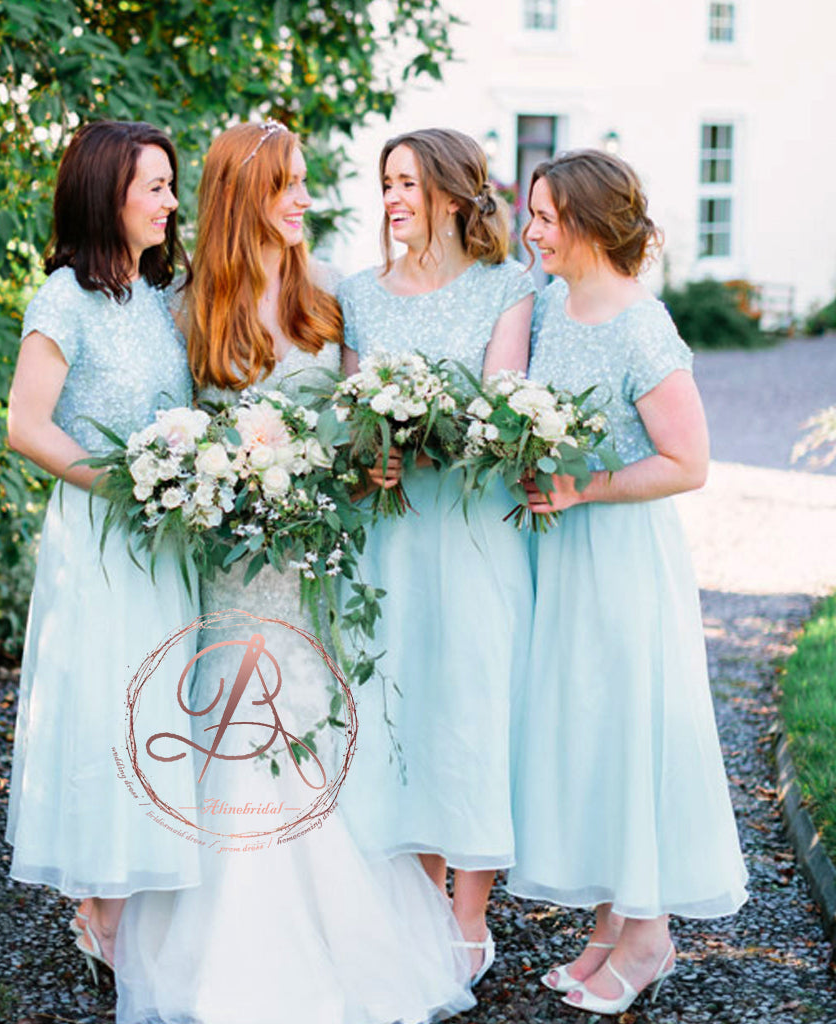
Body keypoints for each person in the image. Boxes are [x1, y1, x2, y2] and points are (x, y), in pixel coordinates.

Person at [113, 120, 475, 1024]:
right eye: (286, 185)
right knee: (235, 728)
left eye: (305, 180)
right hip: (231, 571)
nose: (304, 199)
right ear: (243, 199)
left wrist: (372, 461)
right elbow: (165, 439)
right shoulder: (185, 310)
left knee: (313, 724)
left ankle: (352, 951)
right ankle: (228, 954)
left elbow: (356, 431)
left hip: (314, 565)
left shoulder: (329, 300)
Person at [507, 149, 748, 1014]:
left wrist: (585, 487)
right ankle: (610, 925)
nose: (529, 230)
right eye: (529, 213)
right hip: (563, 558)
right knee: (590, 731)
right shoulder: (550, 306)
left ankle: (649, 934)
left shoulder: (642, 325)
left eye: (542, 216)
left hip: (620, 560)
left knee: (629, 729)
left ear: (586, 223)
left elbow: (690, 461)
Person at [336, 127, 535, 987]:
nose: (393, 199)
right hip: (388, 537)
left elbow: (500, 405)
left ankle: (467, 914)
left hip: (470, 528)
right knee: (400, 705)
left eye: (409, 183)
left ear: (454, 195)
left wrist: (428, 429)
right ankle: (417, 901)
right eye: (386, 182)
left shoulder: (509, 287)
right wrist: (366, 452)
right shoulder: (357, 293)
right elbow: (349, 412)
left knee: (471, 702)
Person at [4, 121, 201, 976]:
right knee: (107, 706)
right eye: (153, 187)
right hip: (102, 531)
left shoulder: (158, 299)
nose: (168, 203)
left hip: (168, 541)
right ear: (105, 194)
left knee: (159, 706)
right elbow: (25, 427)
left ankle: (131, 897)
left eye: (169, 185)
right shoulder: (63, 299)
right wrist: (125, 484)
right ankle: (99, 909)